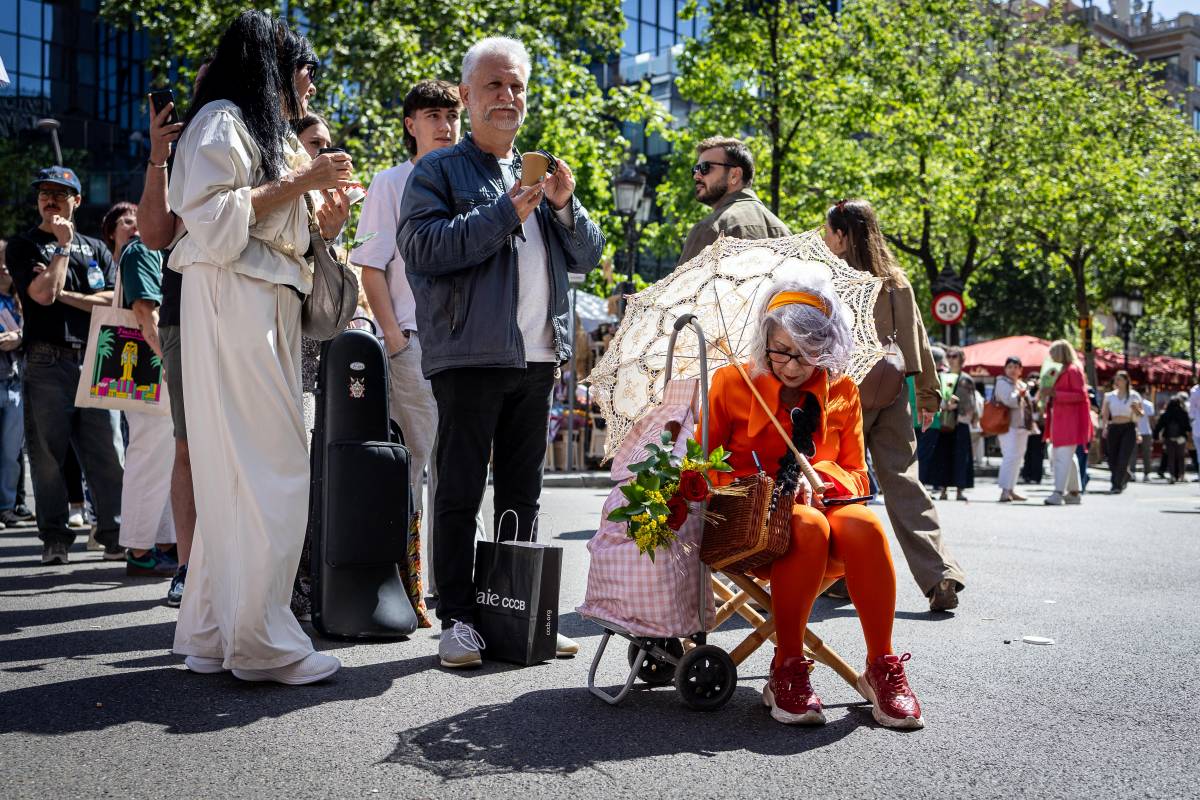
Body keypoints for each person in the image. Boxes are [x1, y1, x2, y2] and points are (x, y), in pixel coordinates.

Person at [398, 36, 603, 668]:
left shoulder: (538, 174)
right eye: (493, 86)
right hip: (468, 354)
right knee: (459, 490)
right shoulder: (437, 171)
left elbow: (587, 257)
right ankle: (457, 617)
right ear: (465, 96)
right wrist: (504, 214)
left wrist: (565, 207)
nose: (507, 97)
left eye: (516, 86)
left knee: (523, 491)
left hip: (538, 355)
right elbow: (422, 249)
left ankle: (522, 612)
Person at [168, 10, 352, 684]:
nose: (308, 81)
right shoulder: (224, 119)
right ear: (270, 64)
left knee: (236, 472)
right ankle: (264, 645)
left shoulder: (241, 124)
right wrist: (304, 185)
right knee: (271, 466)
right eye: (300, 65)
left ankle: (216, 633)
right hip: (238, 295)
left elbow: (265, 219)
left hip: (251, 295)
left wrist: (321, 218)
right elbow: (216, 223)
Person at [705, 271, 924, 729]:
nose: (790, 364)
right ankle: (786, 668)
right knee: (806, 525)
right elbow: (705, 465)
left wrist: (820, 477)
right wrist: (771, 490)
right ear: (765, 340)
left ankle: (881, 666)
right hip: (753, 528)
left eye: (806, 354)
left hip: (825, 512)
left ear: (828, 347)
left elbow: (857, 471)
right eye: (781, 350)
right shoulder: (731, 382)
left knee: (864, 525)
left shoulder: (842, 389)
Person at [352, 79, 467, 619]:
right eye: (434, 115)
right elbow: (369, 264)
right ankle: (407, 588)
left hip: (472, 348)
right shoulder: (391, 182)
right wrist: (394, 336)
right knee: (414, 467)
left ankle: (456, 589)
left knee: (462, 472)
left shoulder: (475, 178)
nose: (446, 125)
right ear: (410, 124)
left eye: (452, 115)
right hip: (416, 342)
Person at [822, 200, 965, 612]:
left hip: (844, 393)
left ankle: (842, 572)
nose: (827, 238)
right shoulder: (895, 281)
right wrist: (927, 394)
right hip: (893, 389)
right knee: (904, 482)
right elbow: (916, 339)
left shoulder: (832, 280)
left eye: (830, 232)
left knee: (839, 482)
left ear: (844, 235)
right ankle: (939, 573)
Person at [5, 165, 126, 565]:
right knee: (47, 457)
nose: (50, 199)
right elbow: (42, 295)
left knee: (107, 451)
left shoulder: (95, 247)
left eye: (60, 193)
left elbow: (112, 300)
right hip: (45, 361)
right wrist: (60, 247)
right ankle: (55, 538)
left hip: (94, 358)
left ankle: (114, 533)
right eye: (44, 193)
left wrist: (67, 294)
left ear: (76, 200)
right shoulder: (25, 246)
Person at [137, 64, 207, 607]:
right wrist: (160, 157)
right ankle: (186, 566)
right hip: (185, 315)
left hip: (246, 312)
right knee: (186, 445)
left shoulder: (252, 138)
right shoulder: (183, 153)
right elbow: (156, 233)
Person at [288, 110, 351, 621]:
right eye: (314, 145)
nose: (325, 155)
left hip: (317, 361)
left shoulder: (326, 207)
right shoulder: (285, 198)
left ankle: (306, 582)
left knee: (312, 473)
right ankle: (288, 585)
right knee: (290, 472)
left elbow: (330, 300)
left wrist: (331, 238)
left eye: (328, 146)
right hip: (279, 353)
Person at [102, 202, 178, 578]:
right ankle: (139, 548)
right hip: (153, 369)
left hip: (157, 369)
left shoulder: (157, 247)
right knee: (149, 458)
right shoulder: (143, 248)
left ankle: (160, 543)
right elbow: (147, 314)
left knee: (163, 458)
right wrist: (173, 364)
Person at [677, 136, 791, 265]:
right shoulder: (784, 232)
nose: (697, 175)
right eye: (695, 169)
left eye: (705, 167)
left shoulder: (712, 228)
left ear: (735, 175)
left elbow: (684, 285)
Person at [1042, 340, 1092, 506]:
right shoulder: (1064, 370)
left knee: (1061, 456)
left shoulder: (1072, 370)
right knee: (1066, 457)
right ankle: (1074, 492)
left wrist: (1055, 393)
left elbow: (1080, 395)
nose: (1050, 357)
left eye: (1053, 353)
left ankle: (1058, 493)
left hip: (1069, 420)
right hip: (1062, 419)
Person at [0, 240, 25, 528]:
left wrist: (19, 338)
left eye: (8, 259)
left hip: (16, 382)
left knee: (11, 452)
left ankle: (6, 507)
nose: (4, 265)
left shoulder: (22, 299)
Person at [933, 347, 976, 502]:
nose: (951, 358)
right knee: (943, 455)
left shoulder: (966, 379)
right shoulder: (941, 376)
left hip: (960, 423)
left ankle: (960, 490)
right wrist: (944, 405)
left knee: (961, 456)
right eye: (949, 355)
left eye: (954, 356)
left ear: (961, 358)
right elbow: (935, 396)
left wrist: (958, 406)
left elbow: (971, 403)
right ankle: (943, 489)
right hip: (944, 420)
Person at [994, 356, 1032, 502]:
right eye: (1010, 367)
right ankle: (1004, 491)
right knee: (1010, 457)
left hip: (1022, 426)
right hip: (1007, 425)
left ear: (1021, 370)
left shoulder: (1021, 384)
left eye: (1016, 367)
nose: (1013, 370)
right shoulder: (1002, 382)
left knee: (1018, 458)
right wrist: (1022, 392)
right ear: (1005, 369)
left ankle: (1011, 489)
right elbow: (1010, 401)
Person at [1100, 370, 1142, 494]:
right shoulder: (1109, 396)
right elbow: (1105, 414)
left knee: (1123, 457)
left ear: (1126, 381)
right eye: (1116, 379)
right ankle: (1125, 475)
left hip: (1128, 428)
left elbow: (1140, 414)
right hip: (1114, 428)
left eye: (1119, 379)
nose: (1117, 382)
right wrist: (1105, 428)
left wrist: (1136, 410)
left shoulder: (1134, 395)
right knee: (1112, 458)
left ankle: (1116, 485)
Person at [1153, 392, 1191, 483]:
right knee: (1181, 457)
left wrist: (1155, 436)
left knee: (1171, 457)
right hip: (1181, 438)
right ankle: (1182, 475)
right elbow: (1188, 427)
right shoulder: (1183, 413)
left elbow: (1159, 426)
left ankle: (1172, 476)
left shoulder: (1165, 414)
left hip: (1169, 438)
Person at [1020, 378, 1046, 484]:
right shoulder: (1026, 391)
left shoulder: (1042, 393)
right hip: (1029, 424)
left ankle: (1036, 475)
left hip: (1039, 425)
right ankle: (1028, 474)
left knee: (1038, 452)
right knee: (1028, 451)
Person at [1135, 390, 1154, 482]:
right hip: (1142, 431)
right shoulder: (1135, 404)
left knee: (1135, 453)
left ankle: (1143, 473)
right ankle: (1145, 473)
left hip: (1144, 431)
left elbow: (1151, 419)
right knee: (1146, 454)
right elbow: (1151, 420)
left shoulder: (1148, 404)